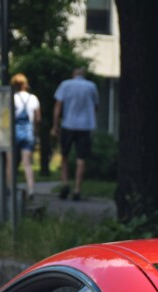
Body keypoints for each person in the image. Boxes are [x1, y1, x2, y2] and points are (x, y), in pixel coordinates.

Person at [52, 68, 98, 201]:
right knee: (81, 158)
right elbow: (95, 106)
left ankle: (65, 184)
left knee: (64, 156)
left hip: (68, 124)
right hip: (85, 126)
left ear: (73, 75)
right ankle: (77, 189)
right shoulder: (92, 86)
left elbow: (58, 105)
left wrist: (55, 125)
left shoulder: (65, 84)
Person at [10, 73, 41, 199]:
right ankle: (31, 188)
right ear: (25, 84)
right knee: (27, 163)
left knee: (11, 163)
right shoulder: (33, 98)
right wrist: (36, 134)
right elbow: (38, 119)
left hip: (14, 133)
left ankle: (10, 189)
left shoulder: (12, 98)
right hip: (28, 133)